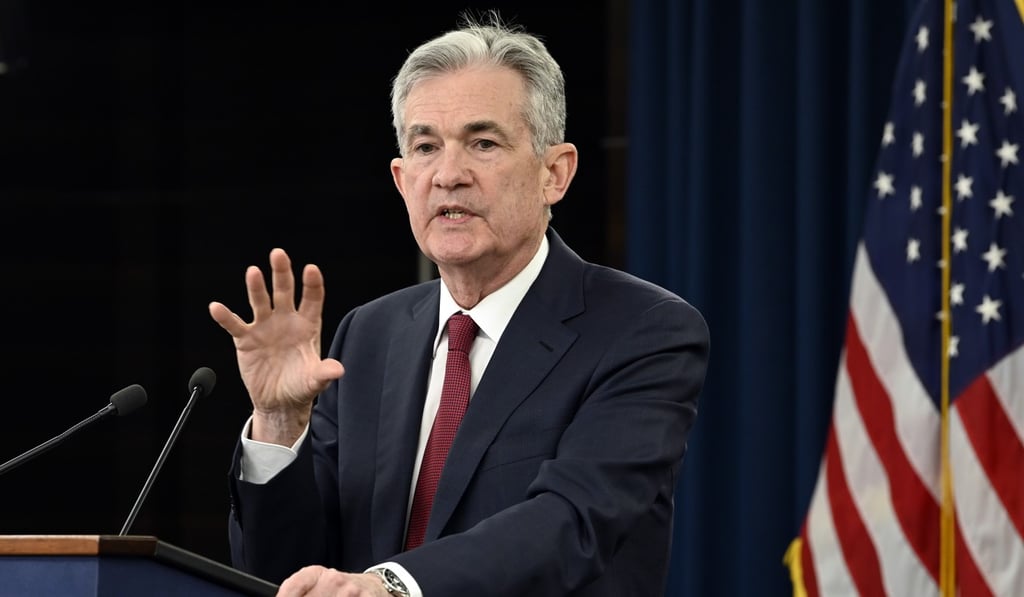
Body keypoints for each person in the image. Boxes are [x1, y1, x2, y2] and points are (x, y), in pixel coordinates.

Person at [208, 10, 710, 597]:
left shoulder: (643, 331)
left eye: (483, 143)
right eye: (426, 147)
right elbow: (285, 575)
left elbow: (572, 523)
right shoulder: (369, 336)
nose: (448, 174)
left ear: (555, 173)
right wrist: (277, 426)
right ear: (401, 180)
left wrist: (394, 587)